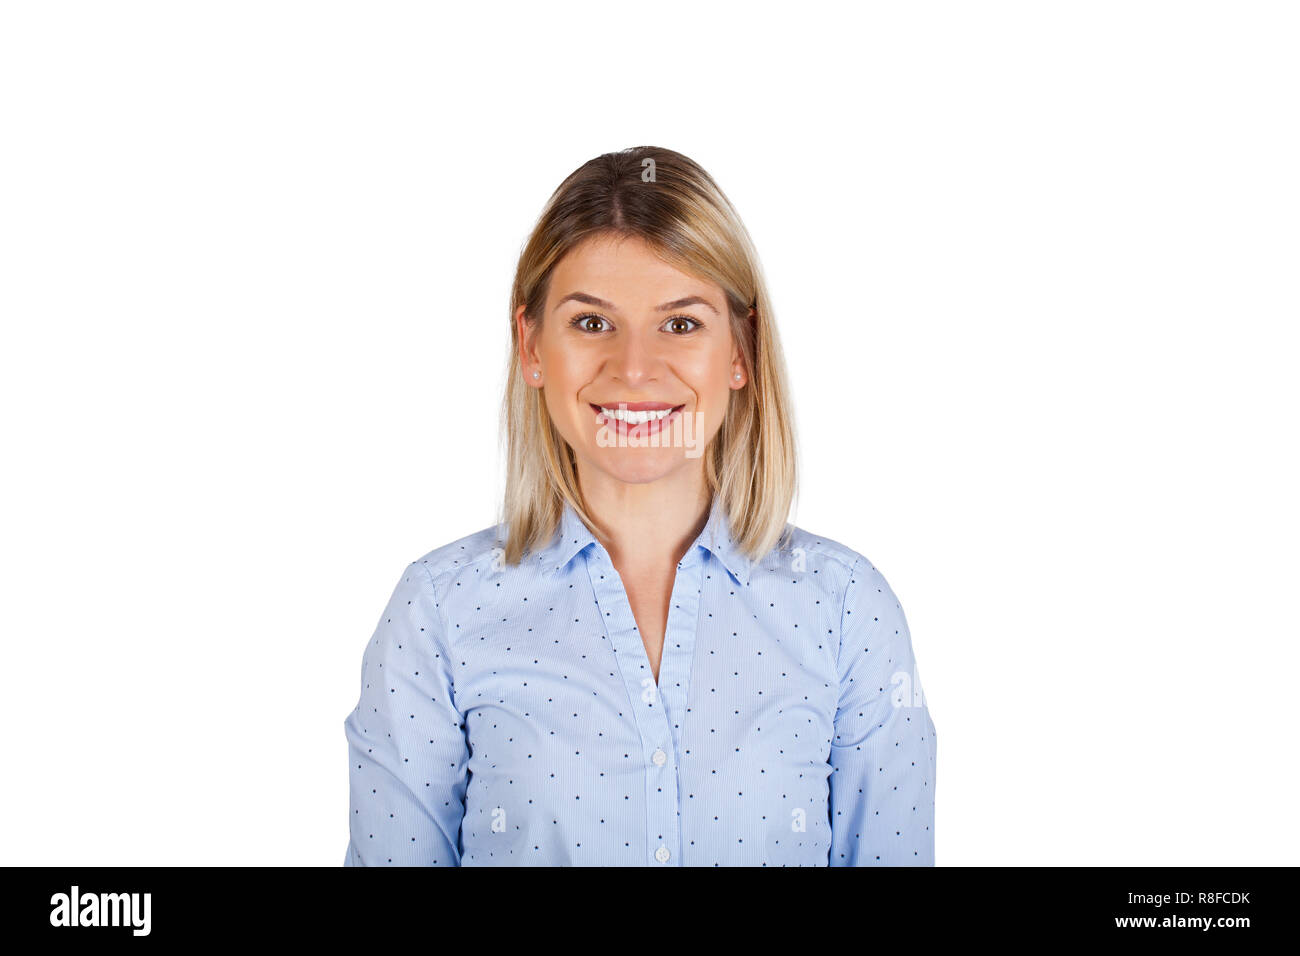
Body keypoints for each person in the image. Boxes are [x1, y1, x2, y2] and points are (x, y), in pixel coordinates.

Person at [343, 146, 937, 866]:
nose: (633, 369)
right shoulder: (437, 615)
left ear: (741, 350)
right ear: (530, 345)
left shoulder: (846, 611)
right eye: (592, 323)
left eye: (681, 324)